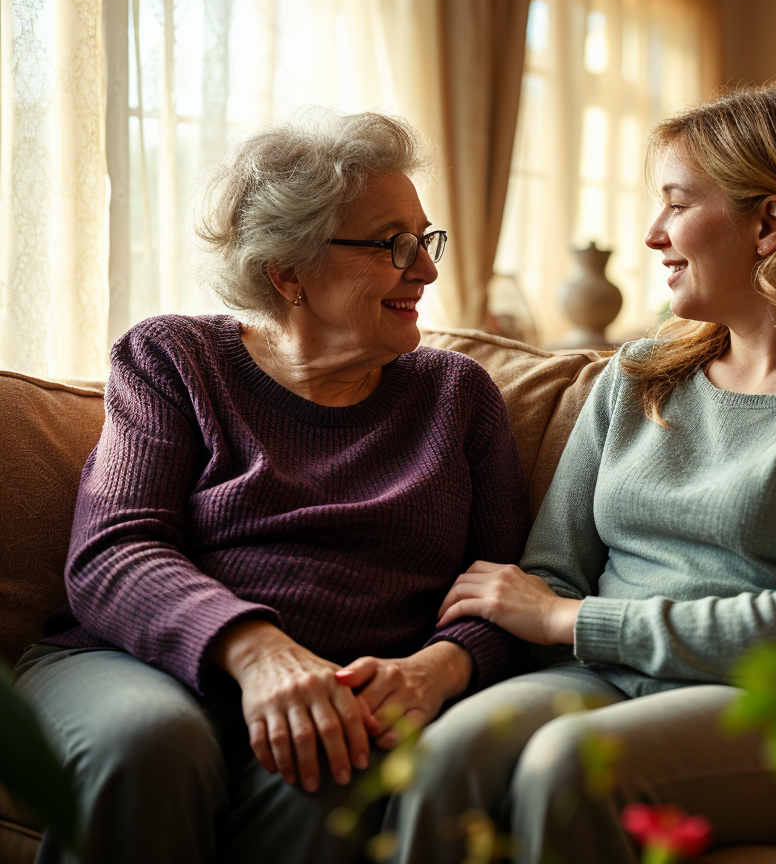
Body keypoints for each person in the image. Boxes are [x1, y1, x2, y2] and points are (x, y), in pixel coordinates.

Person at [384, 82, 776, 863]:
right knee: (449, 752)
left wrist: (571, 622)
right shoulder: (640, 371)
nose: (653, 234)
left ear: (770, 224)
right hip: (606, 678)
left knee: (571, 768)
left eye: (678, 204)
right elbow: (554, 568)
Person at [13, 110, 531, 864]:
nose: (425, 269)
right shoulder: (176, 359)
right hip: (132, 665)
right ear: (287, 272)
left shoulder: (457, 396)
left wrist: (438, 665)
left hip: (337, 697)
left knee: (334, 775)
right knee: (149, 744)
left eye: (426, 239)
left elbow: (507, 589)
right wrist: (258, 653)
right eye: (394, 244)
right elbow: (114, 551)